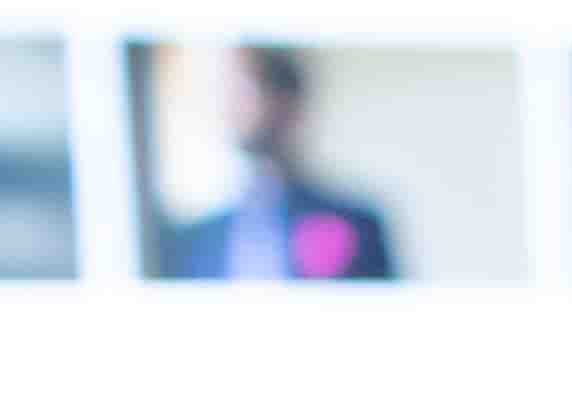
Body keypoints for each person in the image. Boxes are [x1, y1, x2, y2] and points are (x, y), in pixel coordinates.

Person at [153, 46, 396, 282]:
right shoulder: (191, 239)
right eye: (227, 91)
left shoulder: (357, 224)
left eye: (248, 87)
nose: (234, 103)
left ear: (289, 102)